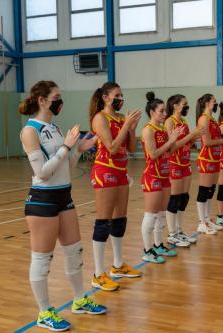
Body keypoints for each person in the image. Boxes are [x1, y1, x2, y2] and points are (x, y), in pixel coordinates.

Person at [20, 80, 106, 331]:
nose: (60, 100)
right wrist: (67, 146)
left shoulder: (55, 128)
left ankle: (79, 299)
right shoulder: (30, 131)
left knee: (74, 252)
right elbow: (42, 173)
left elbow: (65, 169)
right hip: (42, 200)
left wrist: (78, 150)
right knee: (42, 259)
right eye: (56, 96)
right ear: (42, 100)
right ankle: (44, 312)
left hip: (64, 197)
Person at [89, 82, 143, 292]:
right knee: (103, 222)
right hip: (105, 171)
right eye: (117, 95)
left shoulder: (121, 118)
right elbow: (111, 148)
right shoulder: (99, 118)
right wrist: (125, 126)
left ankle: (118, 265)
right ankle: (97, 273)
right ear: (105, 97)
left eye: (122, 95)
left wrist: (132, 128)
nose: (121, 98)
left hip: (121, 171)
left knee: (119, 220)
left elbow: (129, 148)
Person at [140, 92, 183, 263]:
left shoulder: (163, 130)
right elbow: (153, 154)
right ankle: (147, 249)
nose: (165, 114)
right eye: (161, 111)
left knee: (161, 213)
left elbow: (169, 152)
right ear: (152, 112)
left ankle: (158, 245)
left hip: (165, 174)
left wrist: (174, 140)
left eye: (165, 111)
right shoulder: (148, 130)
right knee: (151, 214)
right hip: (152, 176)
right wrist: (170, 140)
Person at [195, 94, 223, 234]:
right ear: (207, 103)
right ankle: (201, 222)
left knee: (210, 190)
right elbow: (206, 142)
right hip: (206, 158)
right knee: (204, 190)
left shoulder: (212, 119)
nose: (216, 103)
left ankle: (207, 220)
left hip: (215, 157)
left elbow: (217, 138)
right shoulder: (203, 119)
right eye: (213, 101)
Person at [164, 94, 201, 247]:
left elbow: (185, 142)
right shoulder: (169, 122)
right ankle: (172, 234)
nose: (187, 106)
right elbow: (171, 147)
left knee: (183, 198)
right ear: (175, 106)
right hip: (174, 164)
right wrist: (190, 137)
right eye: (184, 104)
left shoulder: (184, 121)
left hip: (185, 163)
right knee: (174, 199)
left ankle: (179, 231)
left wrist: (194, 138)